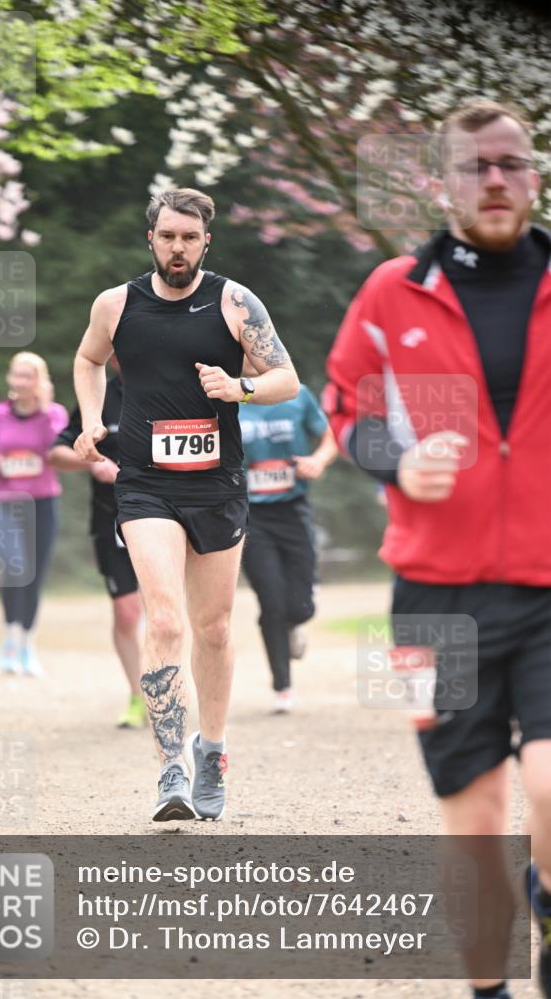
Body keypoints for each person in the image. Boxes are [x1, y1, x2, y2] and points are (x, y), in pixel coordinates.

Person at [326, 100, 550, 998]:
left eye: (512, 163)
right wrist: (397, 460)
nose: (495, 180)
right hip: (430, 596)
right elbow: (344, 408)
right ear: (445, 183)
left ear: (532, 174)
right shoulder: (394, 290)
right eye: (475, 167)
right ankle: (488, 989)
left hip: (547, 586)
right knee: (472, 819)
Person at [73, 187, 299, 822]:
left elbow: (288, 378)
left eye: (190, 238)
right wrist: (92, 420)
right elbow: (88, 360)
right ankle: (170, 766)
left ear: (207, 242)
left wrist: (241, 386)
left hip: (216, 484)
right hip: (145, 483)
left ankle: (213, 753)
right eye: (168, 236)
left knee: (215, 628)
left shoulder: (235, 303)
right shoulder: (116, 305)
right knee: (166, 622)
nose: (178, 248)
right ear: (151, 238)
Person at [48, 355, 146, 729]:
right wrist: (92, 462)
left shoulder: (174, 383)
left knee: (167, 613)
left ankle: (168, 691)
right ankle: (138, 696)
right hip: (112, 519)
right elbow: (57, 452)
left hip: (168, 517)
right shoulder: (99, 396)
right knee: (126, 613)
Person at [239, 363, 337, 712]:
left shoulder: (297, 395)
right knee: (271, 600)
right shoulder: (226, 395)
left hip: (293, 510)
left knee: (300, 605)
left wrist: (318, 461)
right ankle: (282, 686)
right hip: (250, 516)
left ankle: (296, 622)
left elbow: (329, 436)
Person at [0, 352, 68, 676]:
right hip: (4, 501)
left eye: (28, 376)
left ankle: (28, 642)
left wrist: (46, 414)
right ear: (9, 378)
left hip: (42, 501)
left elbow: (59, 447)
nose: (20, 382)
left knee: (35, 574)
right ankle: (10, 639)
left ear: (39, 380)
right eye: (16, 375)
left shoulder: (53, 414)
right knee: (14, 568)